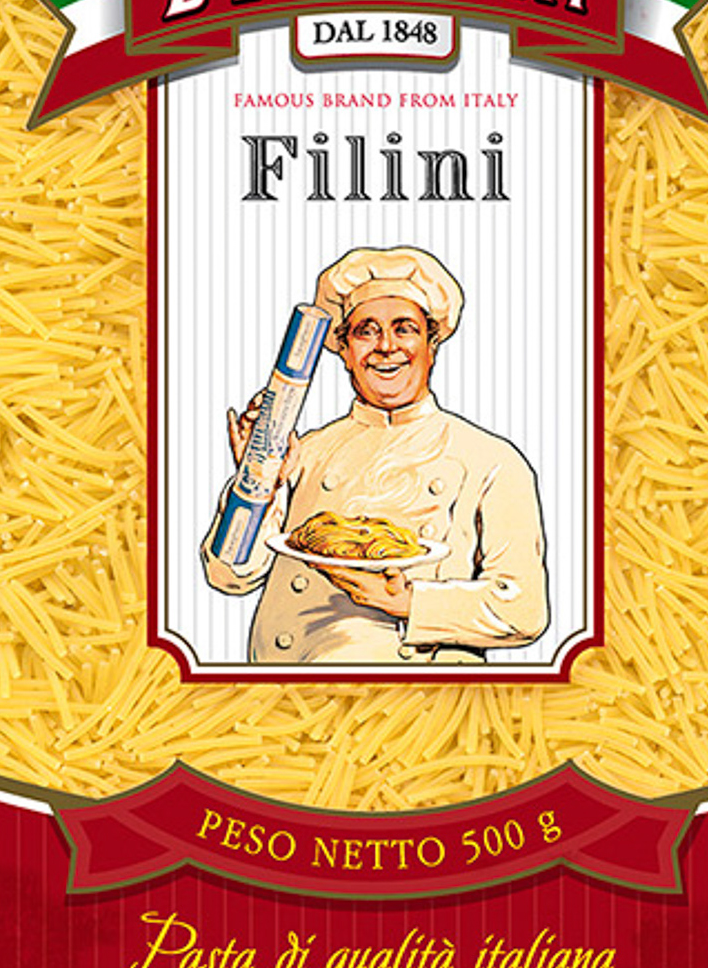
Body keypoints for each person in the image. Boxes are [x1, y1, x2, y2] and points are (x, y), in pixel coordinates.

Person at [201, 246, 549, 666]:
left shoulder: (491, 459)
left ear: (432, 344)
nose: (386, 346)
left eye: (405, 329)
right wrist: (256, 479)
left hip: (417, 694)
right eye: (366, 331)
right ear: (345, 350)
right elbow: (228, 576)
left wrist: (409, 602)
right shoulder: (305, 453)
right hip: (294, 685)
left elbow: (524, 609)